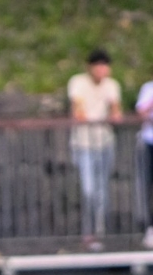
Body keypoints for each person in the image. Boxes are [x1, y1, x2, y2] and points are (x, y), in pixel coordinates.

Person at [67, 49, 122, 252]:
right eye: (98, 65)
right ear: (90, 67)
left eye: (104, 65)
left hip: (105, 143)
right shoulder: (78, 82)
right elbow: (78, 108)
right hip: (83, 144)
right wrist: (90, 119)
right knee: (89, 189)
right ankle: (88, 233)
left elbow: (116, 109)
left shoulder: (112, 85)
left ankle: (99, 232)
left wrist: (113, 115)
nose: (101, 70)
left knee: (102, 190)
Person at [135, 77, 153, 248]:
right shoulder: (148, 88)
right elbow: (142, 112)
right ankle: (150, 228)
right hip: (150, 143)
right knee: (148, 187)